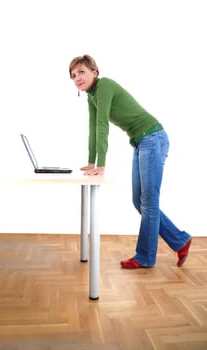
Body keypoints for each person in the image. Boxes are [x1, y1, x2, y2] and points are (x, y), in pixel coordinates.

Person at [69, 54, 192, 268]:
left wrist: (101, 164)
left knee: (149, 202)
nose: (77, 78)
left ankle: (145, 257)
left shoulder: (104, 86)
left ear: (94, 72)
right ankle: (180, 240)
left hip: (152, 138)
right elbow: (92, 128)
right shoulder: (91, 96)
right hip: (140, 142)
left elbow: (102, 126)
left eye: (81, 72)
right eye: (73, 75)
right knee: (139, 201)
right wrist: (90, 161)